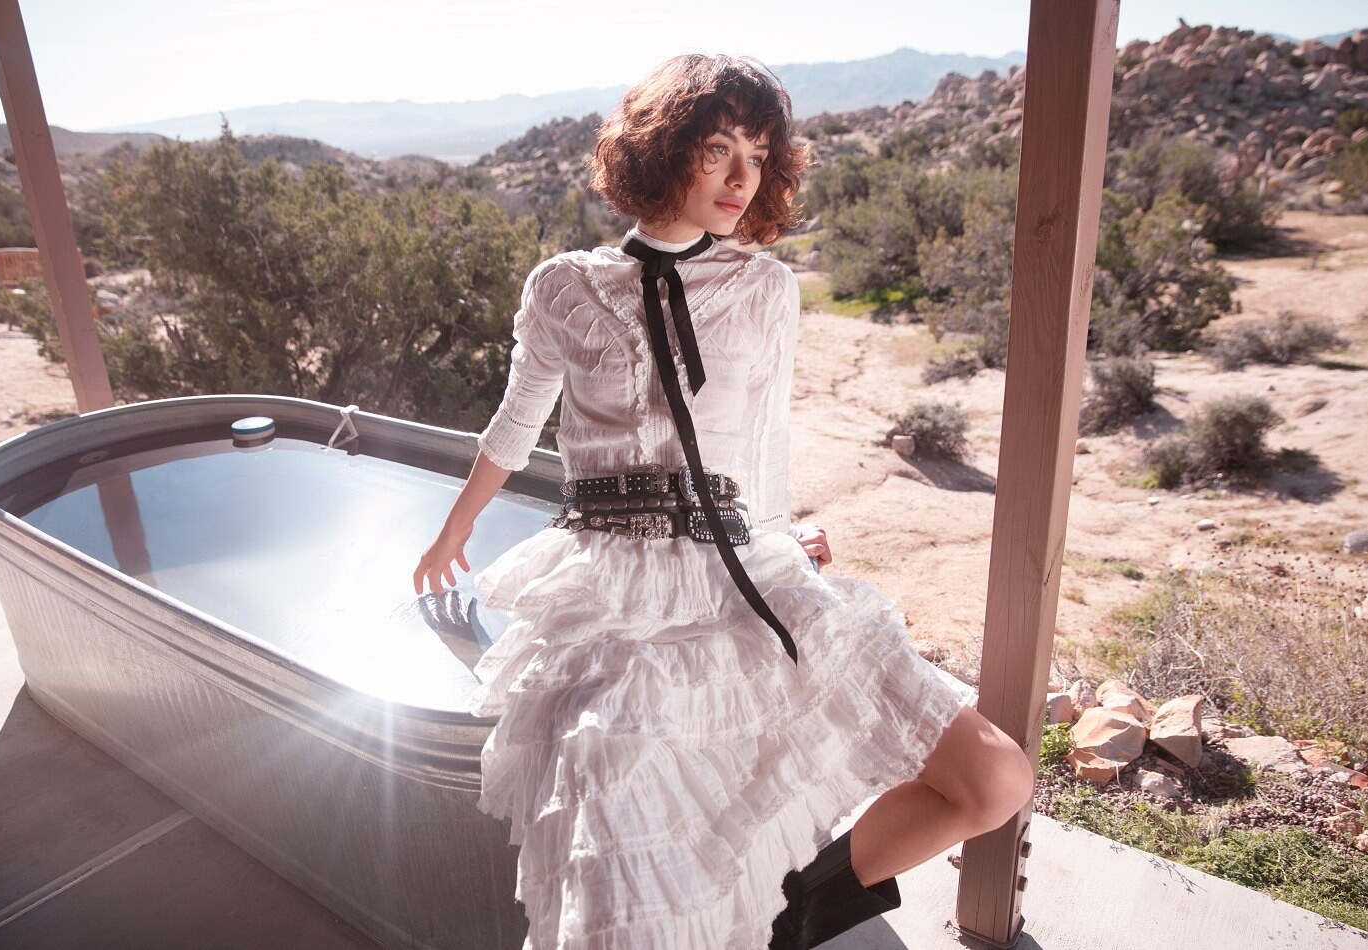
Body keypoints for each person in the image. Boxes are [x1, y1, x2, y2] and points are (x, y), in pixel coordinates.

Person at [414, 53, 1033, 950]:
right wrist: (454, 530)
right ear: (661, 151)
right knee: (630, 872)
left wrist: (778, 536)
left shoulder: (765, 288)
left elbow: (763, 445)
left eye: (758, 155)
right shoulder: (562, 287)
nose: (742, 178)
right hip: (613, 592)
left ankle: (795, 912)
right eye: (717, 150)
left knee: (995, 780)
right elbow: (515, 425)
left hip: (739, 568)